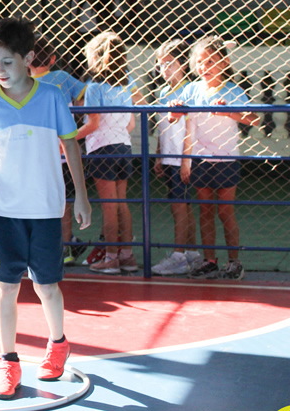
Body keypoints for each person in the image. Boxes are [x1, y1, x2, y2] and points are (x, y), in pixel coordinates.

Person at [0, 17, 91, 399]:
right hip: (4, 210)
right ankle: (9, 363)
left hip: (45, 208)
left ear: (28, 58)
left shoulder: (53, 97)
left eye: (6, 61)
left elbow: (71, 145)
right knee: (5, 287)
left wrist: (82, 197)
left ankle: (57, 344)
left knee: (46, 286)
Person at [177, 35, 259, 280]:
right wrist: (186, 159)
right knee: (205, 212)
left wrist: (229, 112)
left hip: (227, 160)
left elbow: (253, 118)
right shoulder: (191, 90)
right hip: (202, 160)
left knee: (225, 211)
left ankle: (234, 262)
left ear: (223, 63)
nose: (204, 66)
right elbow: (184, 122)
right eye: (201, 61)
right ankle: (210, 260)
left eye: (211, 60)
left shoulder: (233, 90)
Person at [75, 31, 142, 274]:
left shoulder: (94, 87)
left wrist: (66, 139)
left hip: (102, 149)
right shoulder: (127, 83)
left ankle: (111, 257)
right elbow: (133, 117)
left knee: (109, 206)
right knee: (121, 202)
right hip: (124, 146)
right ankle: (127, 256)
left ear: (96, 58)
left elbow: (93, 123)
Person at [28, 34, 87, 264]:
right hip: (63, 151)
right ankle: (65, 247)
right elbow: (83, 98)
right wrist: (76, 115)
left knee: (39, 200)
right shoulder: (62, 77)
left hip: (37, 154)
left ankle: (44, 246)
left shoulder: (25, 84)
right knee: (63, 200)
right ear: (52, 59)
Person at [150, 39, 202, 276]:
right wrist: (159, 154)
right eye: (161, 64)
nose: (164, 69)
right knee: (181, 206)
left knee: (180, 207)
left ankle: (179, 255)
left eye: (170, 63)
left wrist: (185, 160)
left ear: (183, 64)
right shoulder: (163, 92)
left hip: (184, 159)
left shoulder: (190, 91)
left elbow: (191, 128)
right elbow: (163, 126)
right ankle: (191, 253)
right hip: (169, 158)